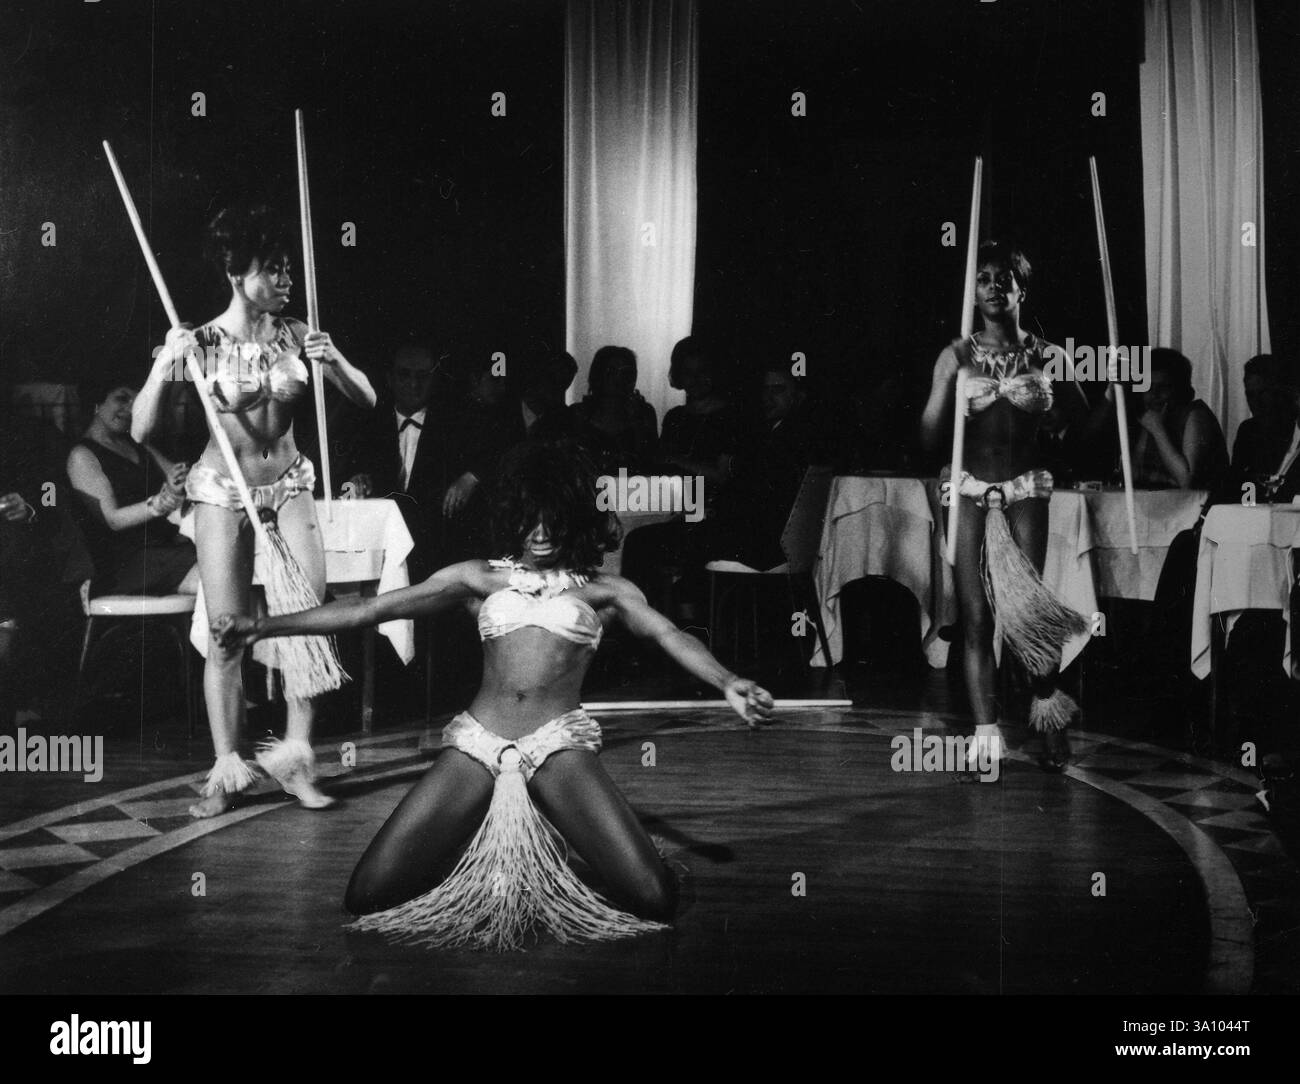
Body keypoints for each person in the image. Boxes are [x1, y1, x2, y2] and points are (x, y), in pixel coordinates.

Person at [211, 441, 774, 950]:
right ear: (513, 517)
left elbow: (670, 634)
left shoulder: (607, 590)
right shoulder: (477, 578)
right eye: (530, 520)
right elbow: (367, 609)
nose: (542, 533)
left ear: (576, 518)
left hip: (558, 747)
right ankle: (482, 845)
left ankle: (557, 834)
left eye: (554, 520)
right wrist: (262, 628)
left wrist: (728, 682)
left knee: (655, 898)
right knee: (367, 894)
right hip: (478, 744)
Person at [131, 203, 376, 818]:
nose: (287, 281)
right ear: (238, 275)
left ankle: (296, 756)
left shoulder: (296, 333)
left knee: (309, 627)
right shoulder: (205, 342)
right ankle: (226, 770)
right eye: (275, 270)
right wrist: (166, 362)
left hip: (289, 484)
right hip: (224, 491)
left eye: (290, 269)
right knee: (226, 634)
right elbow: (140, 428)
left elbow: (368, 398)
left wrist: (335, 359)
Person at [920, 241, 1090, 772]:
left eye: (1004, 278)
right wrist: (948, 388)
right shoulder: (955, 354)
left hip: (1025, 491)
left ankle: (1049, 717)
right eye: (985, 278)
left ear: (1022, 288)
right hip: (970, 489)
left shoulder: (1046, 355)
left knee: (1029, 616)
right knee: (976, 619)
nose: (994, 286)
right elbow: (927, 437)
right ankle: (986, 735)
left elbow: (1083, 425)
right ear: (974, 291)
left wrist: (1092, 406)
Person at [66, 381, 198, 598]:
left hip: (166, 549)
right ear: (97, 404)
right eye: (121, 399)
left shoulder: (138, 445)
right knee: (222, 585)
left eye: (135, 402)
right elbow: (113, 519)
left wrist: (179, 479)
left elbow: (178, 477)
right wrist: (158, 504)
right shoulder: (82, 455)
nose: (129, 409)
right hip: (128, 562)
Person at [1133, 348, 1228, 491]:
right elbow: (1135, 476)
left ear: (1180, 389)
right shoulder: (1151, 417)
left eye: (1163, 388)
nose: (1154, 395)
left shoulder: (1196, 414)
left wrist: (1158, 431)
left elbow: (1187, 481)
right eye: (1148, 387)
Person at [571, 346, 659, 474]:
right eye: (611, 371)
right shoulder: (579, 412)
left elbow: (650, 460)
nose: (618, 378)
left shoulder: (644, 412)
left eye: (626, 373)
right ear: (598, 374)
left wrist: (636, 422)